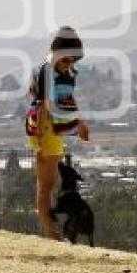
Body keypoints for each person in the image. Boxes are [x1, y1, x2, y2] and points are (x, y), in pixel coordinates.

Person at [28, 26, 90, 239]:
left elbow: (67, 98)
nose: (70, 64)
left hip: (54, 129)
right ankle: (51, 233)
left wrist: (79, 122)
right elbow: (44, 106)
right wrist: (41, 140)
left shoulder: (60, 70)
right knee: (47, 185)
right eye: (67, 59)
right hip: (47, 128)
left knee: (51, 183)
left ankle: (51, 231)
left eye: (74, 60)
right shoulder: (47, 70)